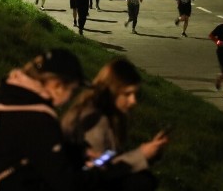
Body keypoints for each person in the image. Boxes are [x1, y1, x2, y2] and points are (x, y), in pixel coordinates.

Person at [0, 49, 96, 191]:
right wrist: (98, 174)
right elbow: (63, 182)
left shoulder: (7, 95)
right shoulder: (39, 119)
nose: (70, 97)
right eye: (72, 91)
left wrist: (79, 152)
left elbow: (36, 148)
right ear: (57, 86)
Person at [61, 58, 169, 191]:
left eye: (135, 94)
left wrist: (150, 154)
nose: (133, 101)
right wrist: (141, 155)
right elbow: (99, 168)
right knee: (141, 182)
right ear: (112, 90)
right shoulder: (93, 121)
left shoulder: (109, 115)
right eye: (127, 94)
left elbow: (109, 158)